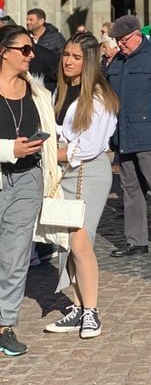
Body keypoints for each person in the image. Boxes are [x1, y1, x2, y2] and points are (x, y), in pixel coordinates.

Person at [43, 33, 118, 339]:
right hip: (63, 172)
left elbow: (86, 147)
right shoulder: (59, 92)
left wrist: (48, 153)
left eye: (76, 57)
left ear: (89, 62)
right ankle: (77, 306)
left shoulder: (98, 96)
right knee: (65, 242)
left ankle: (91, 312)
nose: (68, 61)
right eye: (66, 55)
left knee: (80, 242)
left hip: (89, 172)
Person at [0, 25, 58, 357]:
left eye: (32, 49)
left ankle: (5, 325)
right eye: (24, 49)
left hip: (28, 180)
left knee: (15, 257)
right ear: (4, 51)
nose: (31, 55)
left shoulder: (37, 91)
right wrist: (10, 150)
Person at [106, 15, 151, 256]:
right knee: (130, 188)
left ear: (137, 35)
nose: (121, 45)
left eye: (124, 40)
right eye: (117, 41)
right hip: (124, 135)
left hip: (150, 134)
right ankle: (136, 241)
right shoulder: (116, 61)